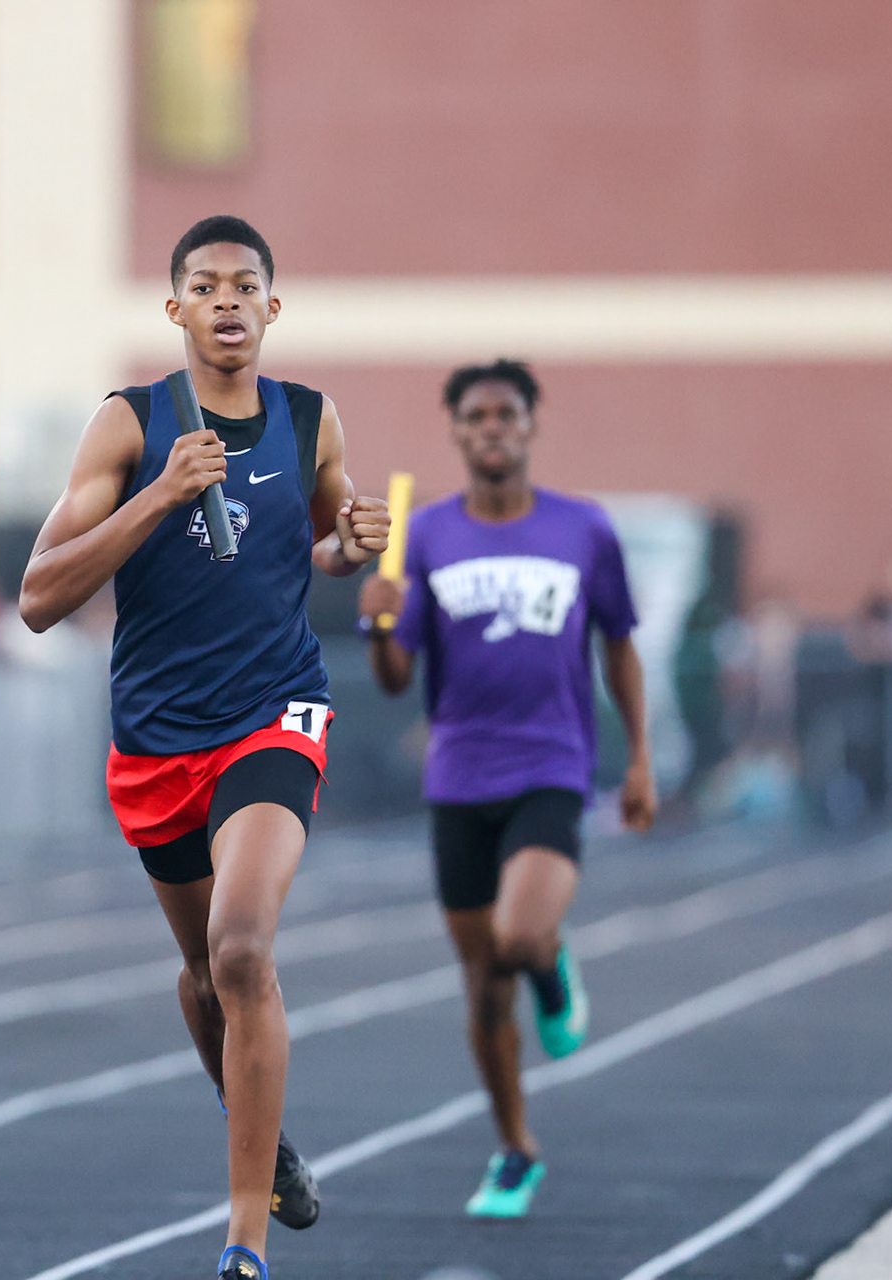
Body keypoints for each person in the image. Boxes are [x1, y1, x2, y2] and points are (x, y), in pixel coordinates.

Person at [19, 215, 389, 1280]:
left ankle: (243, 1241)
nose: (227, 301)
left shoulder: (310, 418)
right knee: (200, 976)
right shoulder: (129, 425)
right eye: (205, 285)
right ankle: (260, 1129)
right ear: (174, 308)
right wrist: (159, 496)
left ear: (273, 308)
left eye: (246, 285)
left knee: (239, 948)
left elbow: (317, 543)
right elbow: (41, 597)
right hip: (156, 737)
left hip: (275, 714)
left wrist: (348, 549)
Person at [357, 358, 654, 1219]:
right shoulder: (427, 535)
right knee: (484, 984)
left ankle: (553, 966)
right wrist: (378, 616)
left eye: (506, 413)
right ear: (454, 431)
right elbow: (392, 676)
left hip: (553, 764)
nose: (492, 428)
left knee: (520, 938)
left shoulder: (583, 529)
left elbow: (621, 645)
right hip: (458, 777)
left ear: (530, 424)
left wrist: (638, 760)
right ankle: (515, 1148)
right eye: (476, 416)